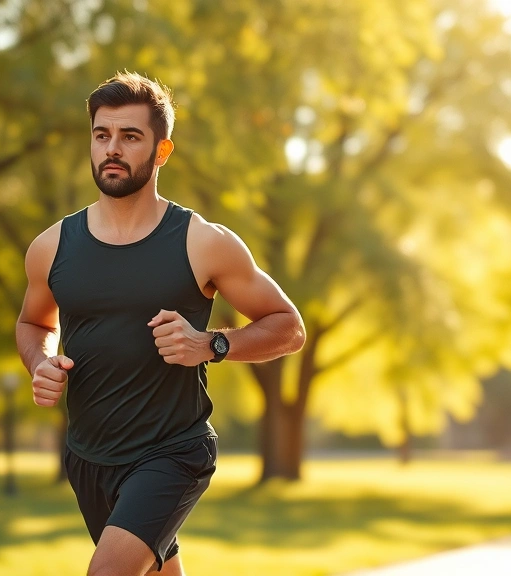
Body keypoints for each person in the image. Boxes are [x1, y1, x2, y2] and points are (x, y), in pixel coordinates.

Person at [15, 72, 306, 576]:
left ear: (162, 151)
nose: (113, 149)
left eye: (130, 137)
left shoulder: (203, 242)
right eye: (102, 135)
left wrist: (211, 344)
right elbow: (32, 322)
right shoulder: (52, 247)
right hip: (89, 455)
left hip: (173, 450)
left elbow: (289, 326)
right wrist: (40, 361)